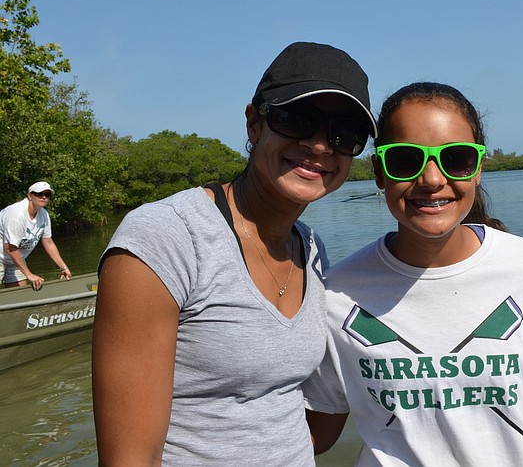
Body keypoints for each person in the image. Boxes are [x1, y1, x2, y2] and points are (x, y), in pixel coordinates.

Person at [304, 82, 523, 466]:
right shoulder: (338, 293)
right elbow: (318, 430)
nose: (432, 179)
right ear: (379, 172)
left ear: (478, 169)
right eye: (405, 160)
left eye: (456, 159)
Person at [91, 42, 377, 465]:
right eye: (297, 119)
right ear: (254, 124)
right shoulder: (167, 238)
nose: (320, 146)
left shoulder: (312, 248)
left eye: (345, 134)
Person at [1, 181, 72, 290]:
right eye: (39, 194)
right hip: (7, 253)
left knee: (19, 295)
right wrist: (29, 275)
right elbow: (10, 248)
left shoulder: (44, 214)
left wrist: (63, 267)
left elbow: (48, 243)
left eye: (47, 195)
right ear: (30, 196)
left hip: (16, 259)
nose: (44, 197)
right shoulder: (16, 215)